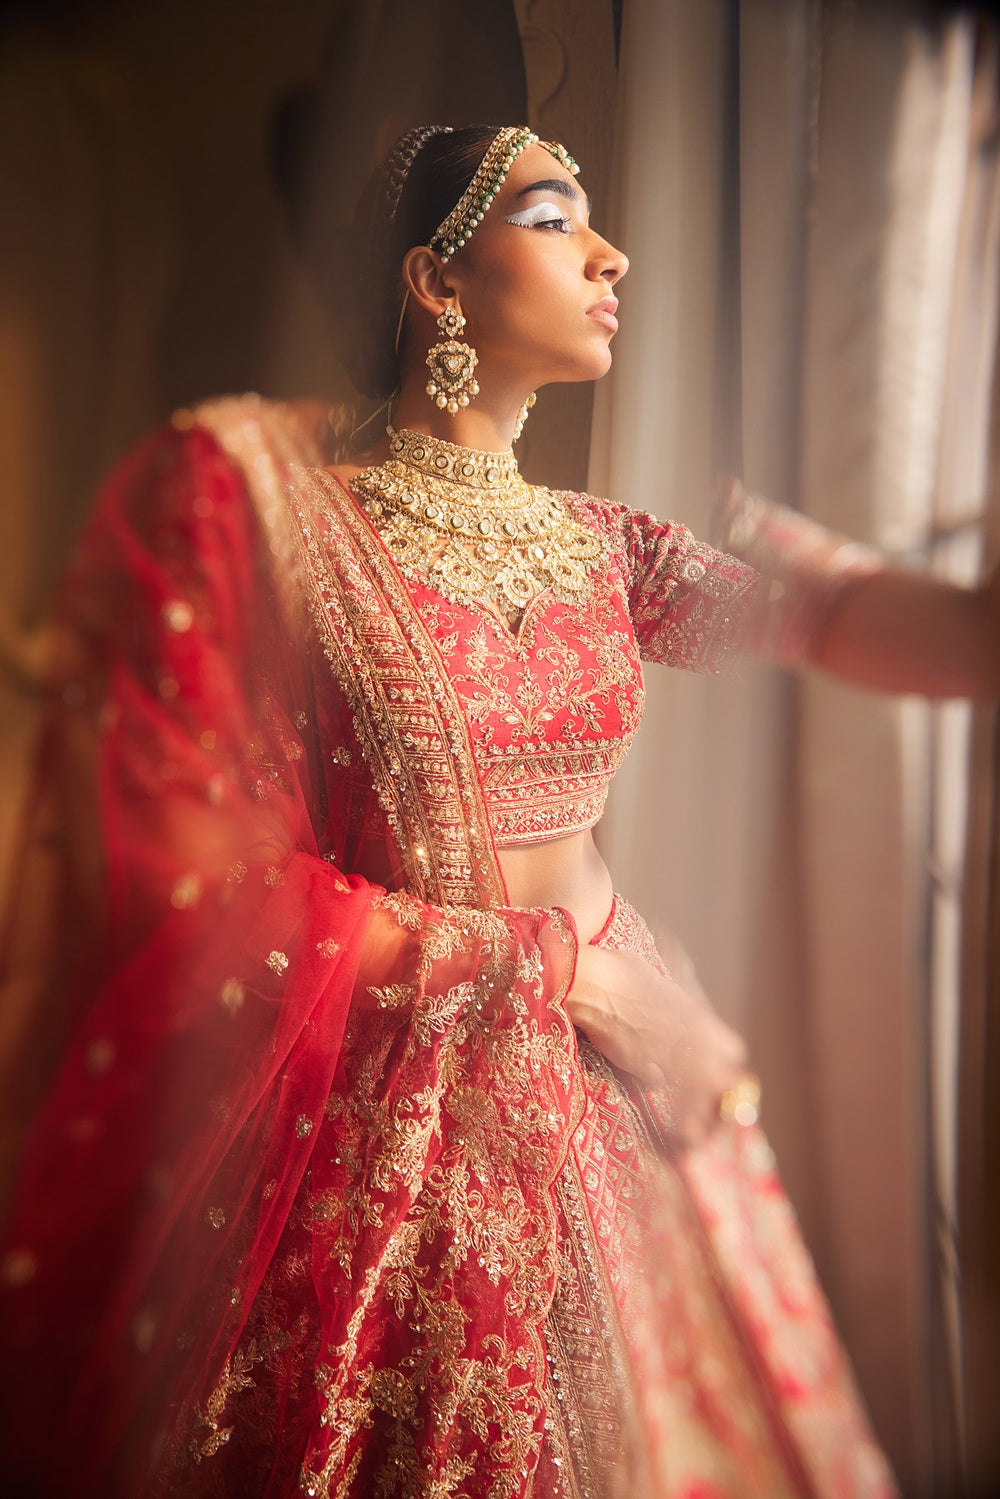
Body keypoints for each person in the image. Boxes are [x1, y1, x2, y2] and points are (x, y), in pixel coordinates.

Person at [0, 122, 996, 1499]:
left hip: (629, 1093)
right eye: (550, 215)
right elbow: (218, 882)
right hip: (399, 1104)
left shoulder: (606, 547)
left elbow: (849, 627)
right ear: (434, 282)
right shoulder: (295, 539)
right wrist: (575, 983)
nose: (611, 252)